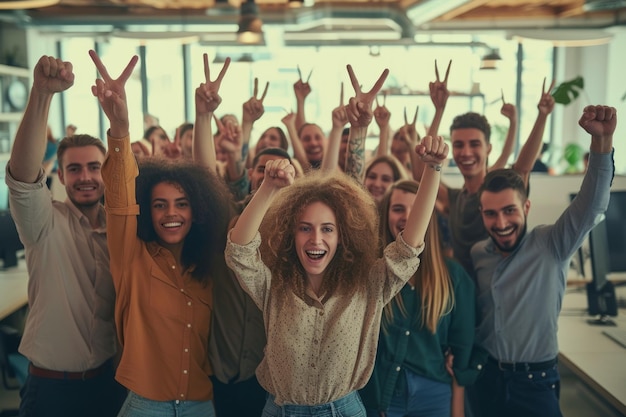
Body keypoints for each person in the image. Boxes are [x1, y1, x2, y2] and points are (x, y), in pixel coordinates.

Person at [225, 64, 447, 416]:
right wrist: (268, 187)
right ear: (289, 233)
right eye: (304, 227)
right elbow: (240, 250)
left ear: (343, 236)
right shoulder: (275, 285)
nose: (316, 238)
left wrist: (433, 169)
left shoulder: (368, 284)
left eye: (327, 229)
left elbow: (409, 246)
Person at [91, 49, 232, 416]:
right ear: (148, 212)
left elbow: (209, 183)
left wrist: (205, 117)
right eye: (159, 205)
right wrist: (120, 129)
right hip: (144, 405)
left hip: (202, 403)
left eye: (182, 203)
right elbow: (121, 201)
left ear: (196, 210)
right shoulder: (132, 257)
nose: (172, 213)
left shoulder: (207, 266)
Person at [470, 105, 616, 417]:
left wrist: (601, 145)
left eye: (510, 210)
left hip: (534, 381)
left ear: (526, 207)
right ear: (481, 214)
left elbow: (590, 207)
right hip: (486, 377)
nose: (501, 222)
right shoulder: (478, 253)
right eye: (491, 213)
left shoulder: (552, 243)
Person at [6, 55, 126, 417]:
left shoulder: (121, 232)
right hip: (52, 390)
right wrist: (42, 94)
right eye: (74, 169)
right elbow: (24, 178)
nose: (85, 176)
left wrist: (120, 124)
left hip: (108, 385)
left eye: (94, 167)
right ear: (59, 174)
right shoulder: (43, 222)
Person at [360, 180, 478, 417]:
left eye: (416, 209)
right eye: (398, 209)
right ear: (386, 216)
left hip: (433, 395)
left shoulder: (455, 278)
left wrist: (457, 411)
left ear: (428, 216)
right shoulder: (371, 274)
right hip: (382, 395)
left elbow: (461, 352)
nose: (407, 217)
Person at [413, 78, 555, 275]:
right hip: (466, 298)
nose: (466, 152)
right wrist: (438, 110)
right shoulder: (455, 199)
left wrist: (542, 116)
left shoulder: (500, 194)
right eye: (459, 145)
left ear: (488, 148)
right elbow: (421, 174)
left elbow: (523, 167)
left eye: (475, 144)